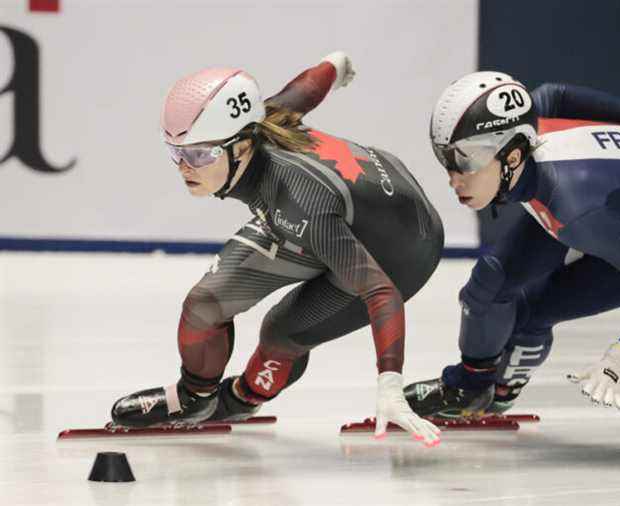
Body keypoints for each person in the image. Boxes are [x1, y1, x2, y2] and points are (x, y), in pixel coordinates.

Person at [111, 52, 443, 446]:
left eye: (199, 154)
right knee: (205, 303)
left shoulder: (299, 203)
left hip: (400, 254)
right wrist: (333, 66)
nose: (185, 167)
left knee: (281, 332)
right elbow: (305, 89)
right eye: (176, 153)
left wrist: (390, 382)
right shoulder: (262, 120)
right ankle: (194, 398)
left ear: (243, 147)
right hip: (344, 212)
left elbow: (381, 292)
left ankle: (243, 398)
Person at [405, 71, 620, 417]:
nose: (454, 178)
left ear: (511, 158)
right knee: (487, 286)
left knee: (534, 310)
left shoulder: (572, 209)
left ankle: (503, 389)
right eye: (447, 160)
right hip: (619, 190)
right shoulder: (529, 124)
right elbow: (555, 94)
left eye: (467, 161)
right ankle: (469, 388)